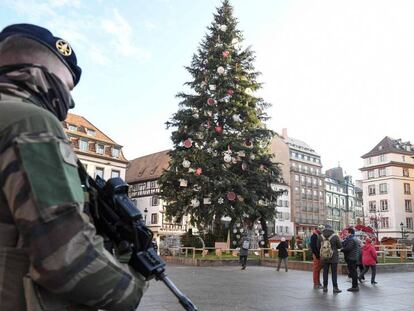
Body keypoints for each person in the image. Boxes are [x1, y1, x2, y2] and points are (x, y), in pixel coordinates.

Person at [0, 24, 147, 310]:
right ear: (41, 72)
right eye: (67, 87)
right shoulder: (29, 122)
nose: (70, 101)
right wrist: (135, 283)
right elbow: (66, 258)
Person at [318, 225, 342, 293]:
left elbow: (318, 246)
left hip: (324, 257)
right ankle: (335, 288)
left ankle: (325, 287)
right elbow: (340, 246)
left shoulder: (320, 236)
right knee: (334, 273)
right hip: (334, 257)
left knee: (325, 272)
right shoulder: (335, 236)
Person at [341, 227, 360, 292]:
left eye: (346, 232)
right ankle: (355, 286)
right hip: (354, 257)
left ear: (349, 232)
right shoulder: (354, 238)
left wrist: (341, 250)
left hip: (351, 258)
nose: (345, 233)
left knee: (353, 272)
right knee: (353, 272)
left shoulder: (351, 239)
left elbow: (348, 248)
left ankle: (355, 286)